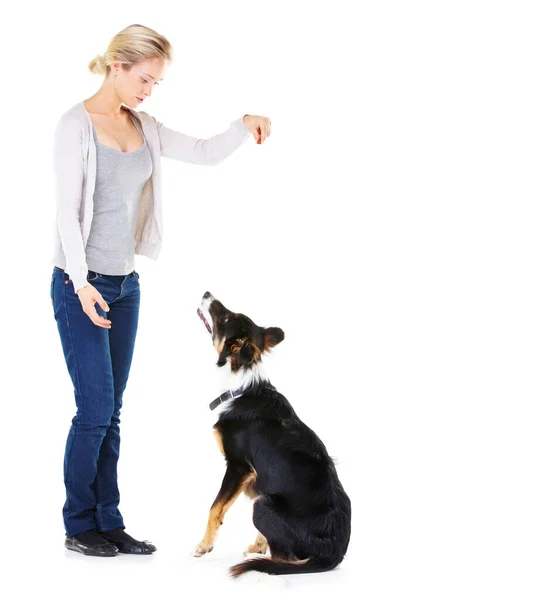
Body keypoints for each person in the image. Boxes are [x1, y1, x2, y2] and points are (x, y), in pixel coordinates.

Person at [50, 23, 271, 557]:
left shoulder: (142, 125)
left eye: (156, 83)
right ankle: (79, 524)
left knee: (113, 410)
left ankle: (110, 520)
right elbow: (65, 212)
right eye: (144, 79)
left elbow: (201, 151)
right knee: (94, 410)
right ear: (117, 66)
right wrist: (80, 284)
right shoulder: (74, 125)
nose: (148, 91)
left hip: (125, 286)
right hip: (81, 286)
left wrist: (243, 124)